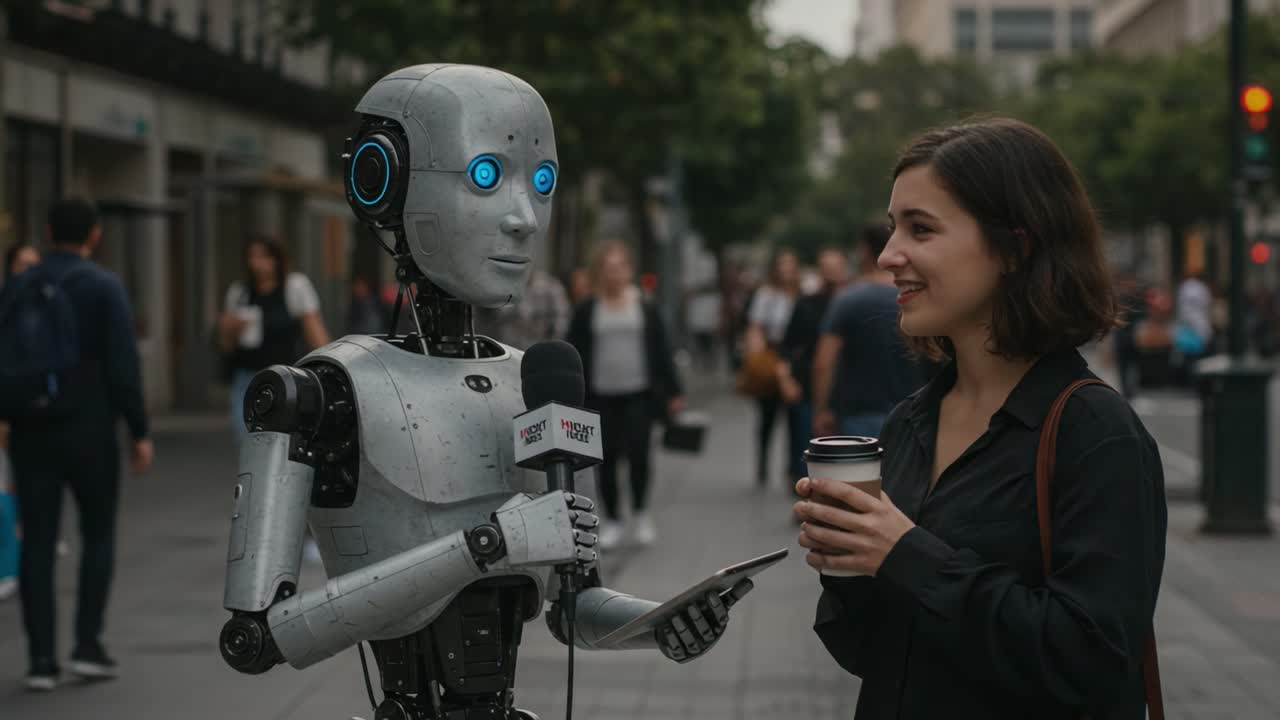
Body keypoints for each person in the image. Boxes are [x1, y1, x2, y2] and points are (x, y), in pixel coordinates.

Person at [794, 118, 1167, 718]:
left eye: (921, 229)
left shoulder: (1095, 432)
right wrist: (847, 557)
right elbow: (869, 650)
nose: (889, 256)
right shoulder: (910, 423)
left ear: (1015, 247)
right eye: (893, 229)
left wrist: (904, 553)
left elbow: (1093, 660)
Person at [8, 198, 154, 690]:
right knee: (98, 535)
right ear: (94, 235)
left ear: (48, 231)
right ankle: (88, 646)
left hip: (31, 431)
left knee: (38, 544)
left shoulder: (21, 284)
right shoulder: (104, 286)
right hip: (91, 430)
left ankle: (41, 661)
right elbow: (123, 367)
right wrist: (139, 430)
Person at [566, 240, 685, 550]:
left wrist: (674, 390)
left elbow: (662, 350)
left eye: (619, 268)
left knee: (639, 455)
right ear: (599, 273)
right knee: (604, 460)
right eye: (608, 269)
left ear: (629, 271)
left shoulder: (644, 306)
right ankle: (614, 519)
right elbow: (574, 351)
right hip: (600, 397)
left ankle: (641, 513)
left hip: (639, 395)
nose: (614, 275)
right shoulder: (587, 310)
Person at [811, 225, 928, 440]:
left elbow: (823, 362)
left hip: (859, 413)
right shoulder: (915, 297)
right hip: (914, 410)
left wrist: (821, 409)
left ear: (865, 251)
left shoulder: (847, 299)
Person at [216, 235, 330, 446]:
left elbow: (315, 333)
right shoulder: (239, 293)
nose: (257, 263)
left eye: (264, 257)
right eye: (252, 257)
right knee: (247, 442)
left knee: (284, 444)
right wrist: (228, 329)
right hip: (247, 378)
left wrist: (326, 371)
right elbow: (226, 345)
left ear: (277, 259)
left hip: (285, 378)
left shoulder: (294, 287)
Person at [777, 246, 850, 487]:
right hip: (807, 385)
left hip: (846, 389)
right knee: (807, 445)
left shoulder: (853, 301)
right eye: (826, 268)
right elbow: (787, 346)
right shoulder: (807, 304)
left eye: (835, 267)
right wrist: (786, 379)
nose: (830, 274)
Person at [0, 243, 40, 602]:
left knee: (9, 492)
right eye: (21, 265)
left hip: (29, 418)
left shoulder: (47, 306)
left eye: (33, 265)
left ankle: (10, 568)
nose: (27, 272)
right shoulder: (8, 308)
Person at [744, 249, 800, 487]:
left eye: (790, 265)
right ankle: (762, 464)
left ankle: (792, 467)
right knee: (767, 416)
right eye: (782, 265)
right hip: (772, 353)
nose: (785, 271)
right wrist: (757, 358)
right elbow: (755, 327)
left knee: (794, 417)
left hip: (795, 356)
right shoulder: (766, 295)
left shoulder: (802, 294)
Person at [474, 268, 570, 351]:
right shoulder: (495, 285)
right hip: (503, 353)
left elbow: (560, 324)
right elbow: (482, 322)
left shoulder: (551, 287)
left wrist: (548, 349)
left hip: (537, 354)